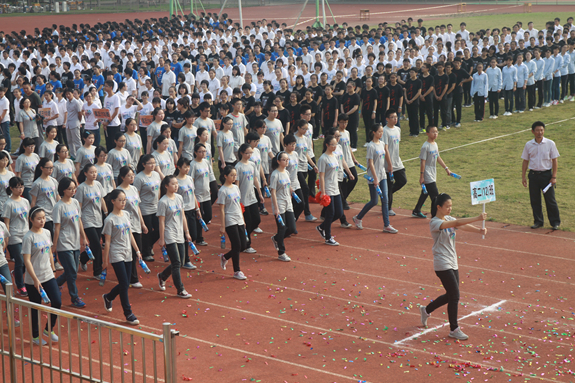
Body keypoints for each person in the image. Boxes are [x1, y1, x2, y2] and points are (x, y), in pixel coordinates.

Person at [419, 193, 487, 341]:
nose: (450, 209)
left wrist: (478, 230)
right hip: (442, 263)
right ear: (439, 207)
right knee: (455, 295)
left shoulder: (449, 218)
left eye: (451, 206)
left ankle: (426, 310)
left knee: (451, 295)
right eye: (447, 206)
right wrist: (477, 218)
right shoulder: (435, 222)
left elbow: (461, 225)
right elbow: (456, 224)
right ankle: (454, 329)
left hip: (453, 261)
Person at [101, 188, 142, 325]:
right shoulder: (109, 220)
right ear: (113, 201)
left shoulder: (126, 214)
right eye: (120, 200)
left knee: (125, 282)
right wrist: (105, 260)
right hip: (116, 253)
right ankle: (128, 313)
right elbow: (107, 241)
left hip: (128, 252)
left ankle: (108, 297)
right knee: (124, 283)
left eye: (125, 200)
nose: (123, 202)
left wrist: (137, 250)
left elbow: (130, 234)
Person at [23, 206, 62, 345]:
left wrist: (53, 268)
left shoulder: (46, 232)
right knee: (36, 307)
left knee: (57, 302)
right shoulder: (28, 237)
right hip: (33, 278)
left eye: (44, 218)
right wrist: (34, 279)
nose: (42, 221)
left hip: (48, 275)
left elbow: (50, 252)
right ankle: (35, 336)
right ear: (31, 220)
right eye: (39, 218)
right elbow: (27, 260)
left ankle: (48, 329)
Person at [352, 124, 397, 234]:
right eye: (379, 132)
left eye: (382, 132)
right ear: (373, 132)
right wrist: (375, 178)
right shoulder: (371, 146)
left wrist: (388, 168)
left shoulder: (382, 144)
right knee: (374, 201)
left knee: (385, 199)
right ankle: (358, 217)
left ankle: (386, 225)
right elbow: (370, 163)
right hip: (373, 177)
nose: (381, 133)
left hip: (383, 175)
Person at [53, 177, 88, 308]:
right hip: (64, 243)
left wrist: (83, 237)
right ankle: (74, 297)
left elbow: (78, 221)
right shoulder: (59, 206)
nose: (73, 191)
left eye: (74, 188)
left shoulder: (74, 202)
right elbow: (57, 227)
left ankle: (55, 284)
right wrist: (55, 245)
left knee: (71, 270)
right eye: (70, 189)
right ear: (63, 190)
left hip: (75, 242)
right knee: (72, 271)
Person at [156, 175, 193, 298]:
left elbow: (182, 216)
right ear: (166, 186)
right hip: (169, 233)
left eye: (177, 183)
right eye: (173, 184)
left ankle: (163, 276)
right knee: (176, 262)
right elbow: (161, 221)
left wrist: (186, 232)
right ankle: (180, 289)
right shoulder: (163, 201)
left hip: (179, 233)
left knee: (180, 262)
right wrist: (162, 238)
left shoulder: (179, 198)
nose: (176, 186)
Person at [521, 121, 560, 230]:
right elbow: (525, 161)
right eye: (537, 130)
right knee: (535, 200)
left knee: (550, 200)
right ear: (533, 131)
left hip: (546, 176)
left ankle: (555, 222)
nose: (540, 132)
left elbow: (555, 160)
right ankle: (538, 221)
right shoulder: (528, 145)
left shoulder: (550, 143)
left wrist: (554, 176)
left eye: (542, 130)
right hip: (533, 175)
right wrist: (523, 176)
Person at [412, 126, 454, 219]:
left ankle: (416, 210)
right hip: (427, 172)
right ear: (427, 133)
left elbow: (437, 157)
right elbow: (422, 161)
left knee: (425, 192)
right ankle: (435, 216)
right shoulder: (425, 146)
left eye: (436, 132)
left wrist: (446, 168)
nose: (435, 134)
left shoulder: (435, 144)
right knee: (435, 196)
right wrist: (422, 176)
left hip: (433, 171)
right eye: (433, 132)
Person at [117, 166, 148, 287]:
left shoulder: (134, 189)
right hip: (125, 225)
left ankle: (129, 275)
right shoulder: (119, 191)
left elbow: (137, 207)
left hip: (136, 224)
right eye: (129, 176)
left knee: (137, 250)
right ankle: (133, 278)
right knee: (129, 251)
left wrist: (142, 223)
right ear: (122, 177)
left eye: (133, 175)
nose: (132, 177)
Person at [217, 166, 248, 280]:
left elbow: (239, 204)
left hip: (239, 218)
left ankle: (225, 257)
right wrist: (222, 226)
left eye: (235, 175)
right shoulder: (222, 190)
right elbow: (221, 209)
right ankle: (237, 271)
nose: (234, 177)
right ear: (225, 176)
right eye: (232, 175)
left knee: (243, 245)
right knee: (237, 245)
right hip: (230, 219)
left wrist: (243, 220)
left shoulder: (235, 188)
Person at [76, 163, 107, 276]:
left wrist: (106, 213)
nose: (94, 174)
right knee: (96, 244)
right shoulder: (81, 188)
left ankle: (83, 258)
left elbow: (102, 199)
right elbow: (79, 205)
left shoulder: (98, 184)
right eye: (91, 172)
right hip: (87, 219)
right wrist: (78, 219)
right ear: (85, 173)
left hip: (98, 218)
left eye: (95, 172)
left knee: (95, 245)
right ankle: (97, 271)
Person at [3, 176, 31, 296]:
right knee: (20, 260)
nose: (20, 189)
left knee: (26, 261)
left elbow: (29, 219)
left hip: (25, 234)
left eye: (21, 187)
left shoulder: (25, 201)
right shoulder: (8, 204)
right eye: (17, 187)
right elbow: (7, 223)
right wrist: (6, 239)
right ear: (11, 188)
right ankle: (20, 286)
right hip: (14, 235)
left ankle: (17, 273)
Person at [316, 135, 345, 245]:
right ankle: (328, 237)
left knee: (339, 213)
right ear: (327, 145)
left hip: (335, 187)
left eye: (335, 144)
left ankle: (321, 227)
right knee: (330, 213)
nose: (334, 147)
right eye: (332, 145)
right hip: (327, 188)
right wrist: (323, 192)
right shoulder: (323, 158)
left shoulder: (334, 156)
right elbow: (321, 176)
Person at [235, 144, 264, 254]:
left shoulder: (252, 165)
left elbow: (255, 179)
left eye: (250, 153)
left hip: (252, 196)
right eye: (247, 153)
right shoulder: (238, 167)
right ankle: (247, 244)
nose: (249, 155)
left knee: (256, 220)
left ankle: (244, 235)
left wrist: (260, 193)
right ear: (242, 153)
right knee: (247, 221)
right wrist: (237, 199)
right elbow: (237, 184)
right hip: (243, 199)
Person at [133, 155, 161, 263]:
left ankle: (148, 246)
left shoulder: (156, 175)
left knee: (158, 230)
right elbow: (137, 195)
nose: (153, 165)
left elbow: (158, 190)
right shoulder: (139, 178)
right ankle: (146, 253)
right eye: (150, 163)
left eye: (154, 163)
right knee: (147, 231)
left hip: (155, 207)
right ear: (143, 164)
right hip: (144, 208)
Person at [173, 158, 200, 270]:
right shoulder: (175, 182)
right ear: (178, 167)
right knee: (184, 236)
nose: (187, 169)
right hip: (181, 212)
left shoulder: (189, 179)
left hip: (191, 210)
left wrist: (197, 208)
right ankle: (185, 260)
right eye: (185, 167)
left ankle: (182, 257)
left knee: (193, 235)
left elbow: (192, 193)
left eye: (188, 166)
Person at [269, 152, 294, 262]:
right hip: (279, 203)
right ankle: (281, 253)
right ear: (278, 161)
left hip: (288, 202)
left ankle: (276, 238)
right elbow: (273, 192)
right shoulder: (275, 174)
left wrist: (291, 190)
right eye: (284, 159)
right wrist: (276, 208)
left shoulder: (287, 172)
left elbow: (287, 185)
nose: (286, 161)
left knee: (292, 228)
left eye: (287, 159)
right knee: (282, 227)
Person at [383, 109, 407, 216]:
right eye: (392, 117)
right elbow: (386, 148)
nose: (395, 119)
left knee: (402, 180)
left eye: (396, 116)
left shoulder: (398, 129)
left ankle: (386, 195)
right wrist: (389, 164)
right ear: (387, 119)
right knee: (389, 184)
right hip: (388, 163)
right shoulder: (385, 131)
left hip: (398, 161)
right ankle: (388, 208)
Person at [14, 138, 40, 202]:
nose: (32, 148)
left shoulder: (36, 156)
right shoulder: (21, 158)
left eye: (33, 146)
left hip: (36, 184)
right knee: (31, 203)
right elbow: (18, 174)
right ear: (24, 147)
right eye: (29, 146)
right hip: (27, 185)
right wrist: (20, 187)